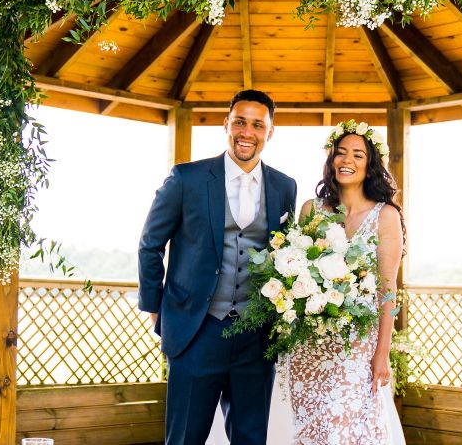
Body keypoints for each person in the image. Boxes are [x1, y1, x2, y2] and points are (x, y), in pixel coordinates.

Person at [138, 90, 297, 445]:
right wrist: (155, 308)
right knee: (184, 438)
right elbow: (150, 244)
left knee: (251, 439)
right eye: (239, 122)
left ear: (270, 132)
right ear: (226, 124)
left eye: (257, 125)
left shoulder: (284, 187)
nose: (247, 132)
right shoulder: (187, 179)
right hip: (196, 331)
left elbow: (286, 255)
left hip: (256, 338)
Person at [287, 122, 406, 444]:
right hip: (309, 344)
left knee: (345, 428)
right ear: (331, 159)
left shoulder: (385, 216)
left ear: (370, 165)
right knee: (310, 430)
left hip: (357, 347)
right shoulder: (311, 210)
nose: (347, 160)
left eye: (357, 155)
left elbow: (387, 290)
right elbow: (295, 270)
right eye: (340, 153)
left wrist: (382, 353)